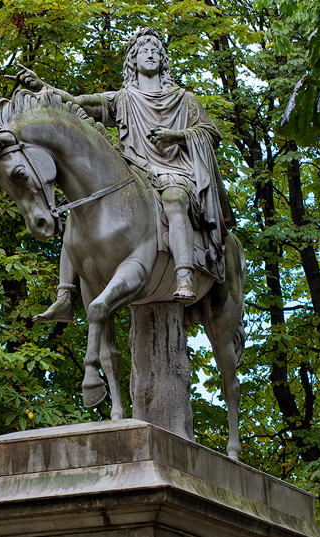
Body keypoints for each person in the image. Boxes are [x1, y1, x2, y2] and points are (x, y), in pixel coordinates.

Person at [15, 26, 234, 320]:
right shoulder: (123, 99)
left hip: (173, 172)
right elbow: (78, 103)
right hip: (135, 175)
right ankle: (65, 295)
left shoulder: (185, 99)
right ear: (133, 59)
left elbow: (210, 133)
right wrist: (46, 88)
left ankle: (184, 275)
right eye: (144, 50)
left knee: (174, 199)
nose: (151, 54)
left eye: (157, 50)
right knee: (79, 216)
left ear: (163, 60)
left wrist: (176, 136)